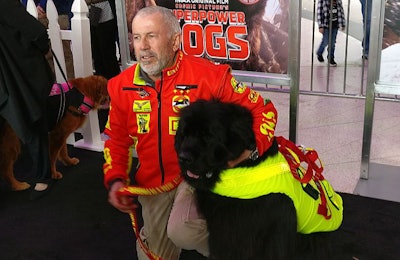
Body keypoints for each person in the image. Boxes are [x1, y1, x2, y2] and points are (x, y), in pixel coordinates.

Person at [103, 6, 278, 260]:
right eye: (137, 37)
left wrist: (249, 152)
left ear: (175, 41)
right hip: (153, 184)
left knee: (182, 230)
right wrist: (115, 177)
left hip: (200, 177)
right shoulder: (120, 86)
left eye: (151, 36)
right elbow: (116, 139)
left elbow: (264, 111)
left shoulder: (210, 76)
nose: (142, 46)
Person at [0, 0, 55, 199]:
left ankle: (43, 176)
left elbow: (36, 32)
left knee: (30, 120)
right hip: (9, 77)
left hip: (16, 76)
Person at [86, 0, 120, 79]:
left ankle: (113, 80)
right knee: (96, 52)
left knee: (107, 51)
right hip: (91, 14)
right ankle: (100, 80)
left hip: (106, 14)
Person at [316, 0, 346, 66]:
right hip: (326, 25)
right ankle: (319, 52)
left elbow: (341, 11)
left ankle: (331, 58)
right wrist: (320, 26)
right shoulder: (322, 1)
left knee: (332, 43)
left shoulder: (338, 1)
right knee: (326, 41)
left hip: (335, 25)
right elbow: (319, 13)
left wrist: (343, 24)